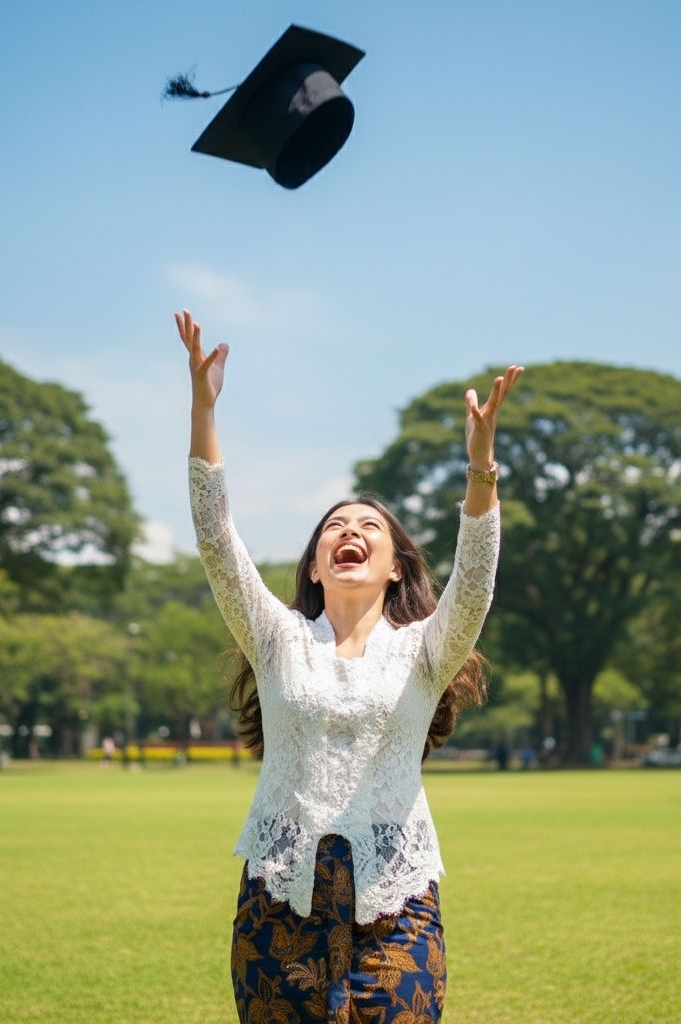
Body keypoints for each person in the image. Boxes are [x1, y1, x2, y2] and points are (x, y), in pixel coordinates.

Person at [177, 308, 522, 1023]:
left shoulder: (425, 649)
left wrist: (481, 468)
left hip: (397, 905)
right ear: (314, 562)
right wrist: (203, 408)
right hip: (278, 897)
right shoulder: (275, 638)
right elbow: (215, 538)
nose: (349, 533)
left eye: (369, 528)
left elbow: (479, 579)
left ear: (397, 569)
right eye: (334, 526)